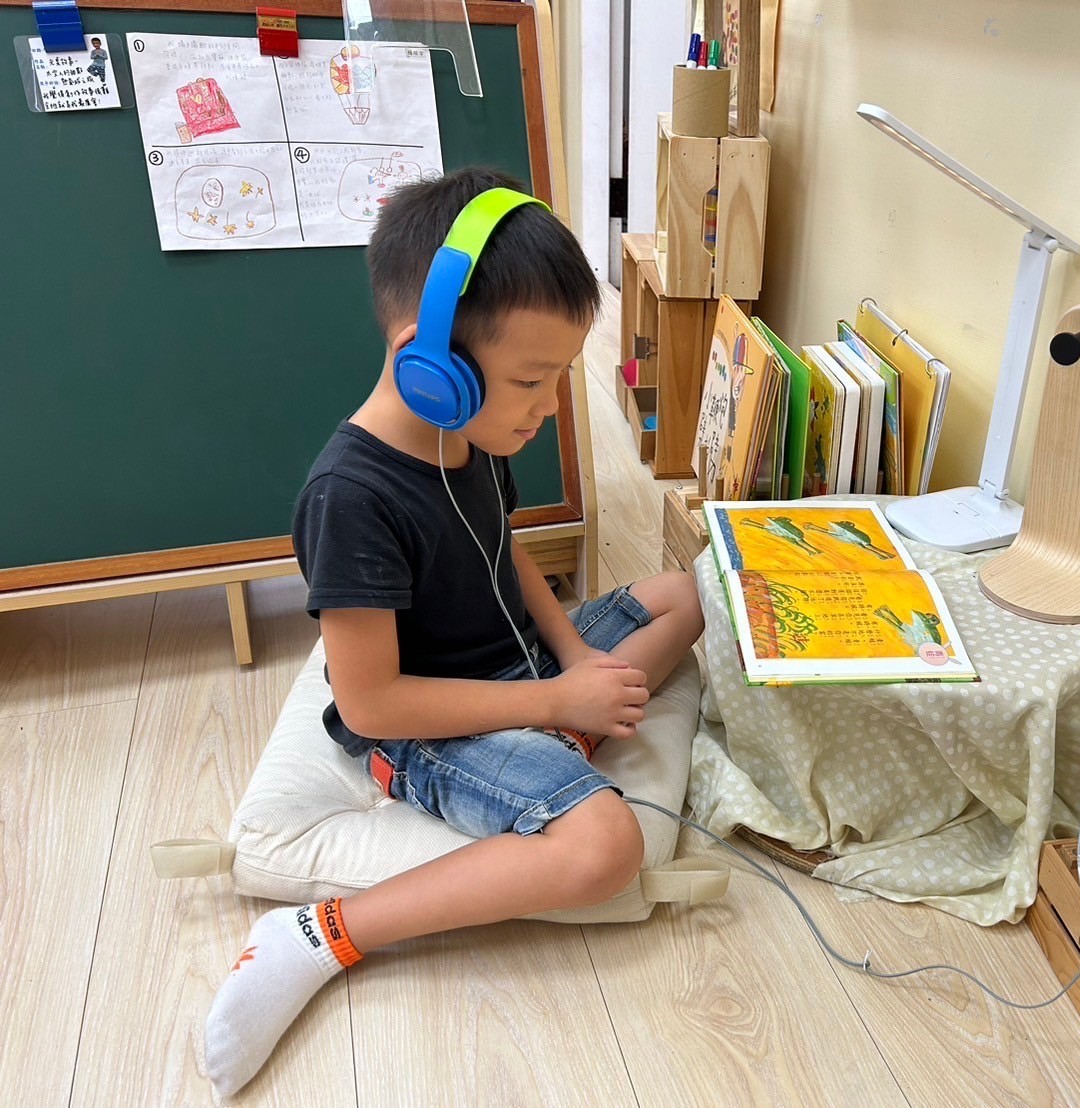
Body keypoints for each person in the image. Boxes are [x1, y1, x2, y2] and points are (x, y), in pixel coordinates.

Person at [203, 167, 704, 1097]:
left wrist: (572, 657)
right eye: (531, 381)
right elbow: (370, 703)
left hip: (522, 668)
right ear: (428, 362)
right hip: (426, 727)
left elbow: (504, 549)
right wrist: (554, 702)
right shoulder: (349, 497)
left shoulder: (467, 433)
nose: (550, 407)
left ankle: (556, 744)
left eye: (559, 378)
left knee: (683, 594)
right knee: (606, 849)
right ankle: (320, 935)